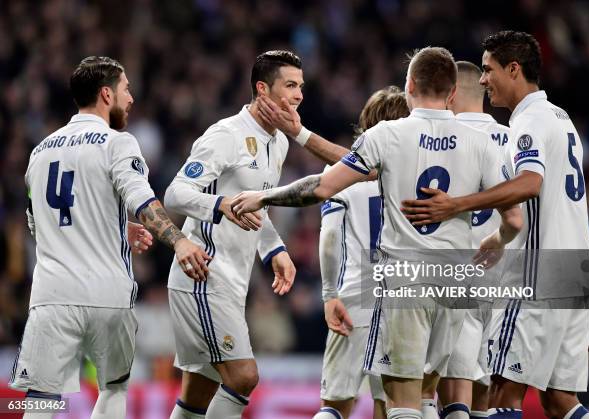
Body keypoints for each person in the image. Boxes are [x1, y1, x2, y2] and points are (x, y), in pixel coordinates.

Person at [231, 47, 523, 419]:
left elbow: (322, 188)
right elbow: (513, 219)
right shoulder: (481, 143)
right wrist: (497, 243)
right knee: (429, 394)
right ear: (452, 94)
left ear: (410, 85)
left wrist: (263, 196)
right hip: (456, 280)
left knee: (400, 400)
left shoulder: (386, 136)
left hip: (406, 278)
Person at [400, 31, 589, 419]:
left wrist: (456, 204)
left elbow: (530, 184)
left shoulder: (527, 121)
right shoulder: (562, 121)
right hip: (571, 274)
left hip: (536, 277)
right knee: (561, 402)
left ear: (513, 69)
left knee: (501, 397)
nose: (481, 79)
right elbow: (567, 208)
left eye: (488, 69)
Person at [9, 56, 210, 419]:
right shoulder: (117, 143)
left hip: (51, 296)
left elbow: (40, 224)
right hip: (107, 293)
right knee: (113, 387)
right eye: (126, 89)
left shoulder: (38, 153)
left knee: (41, 398)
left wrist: (111, 224)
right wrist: (179, 240)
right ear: (106, 94)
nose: (131, 98)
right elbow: (142, 200)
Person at [164, 50, 300, 419]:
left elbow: (258, 206)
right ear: (262, 89)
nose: (299, 94)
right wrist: (220, 204)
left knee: (198, 395)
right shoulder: (226, 135)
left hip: (232, 281)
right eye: (290, 85)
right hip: (204, 277)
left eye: (301, 86)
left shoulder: (280, 142)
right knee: (243, 377)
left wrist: (275, 251)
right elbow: (175, 193)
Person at [313, 86, 409, 419]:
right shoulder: (416, 174)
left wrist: (329, 294)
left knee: (335, 405)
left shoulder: (338, 174)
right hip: (403, 298)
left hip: (355, 295)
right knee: (395, 403)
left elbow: (329, 237)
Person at [431, 60, 515, 419]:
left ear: (449, 95)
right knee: (483, 396)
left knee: (448, 397)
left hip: (457, 273)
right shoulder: (516, 140)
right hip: (508, 278)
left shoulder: (438, 138)